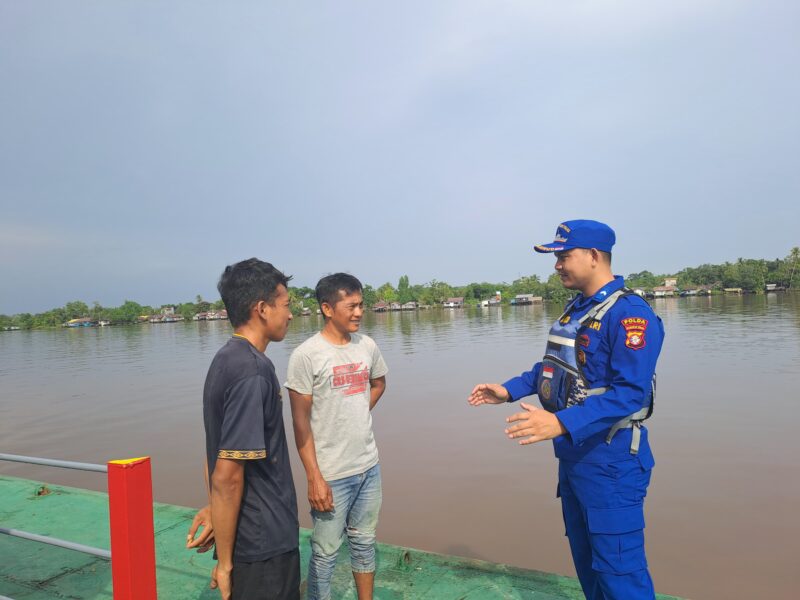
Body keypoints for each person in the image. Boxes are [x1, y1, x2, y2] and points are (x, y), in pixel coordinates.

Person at [468, 220, 664, 600]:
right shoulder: (576, 311)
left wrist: (559, 421)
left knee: (620, 571)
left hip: (612, 461)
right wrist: (508, 390)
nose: (557, 265)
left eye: (564, 256)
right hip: (575, 459)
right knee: (588, 564)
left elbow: (630, 395)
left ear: (593, 256)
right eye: (556, 257)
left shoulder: (628, 314)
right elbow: (552, 370)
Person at [186, 258, 300, 600]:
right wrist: (225, 564)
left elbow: (215, 449)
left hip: (245, 535)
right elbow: (227, 476)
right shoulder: (252, 371)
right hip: (263, 542)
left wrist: (219, 522)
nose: (291, 314)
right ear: (262, 309)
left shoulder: (225, 359)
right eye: (286, 305)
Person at [286, 273, 388, 600]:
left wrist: (355, 410)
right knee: (326, 552)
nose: (359, 312)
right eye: (351, 306)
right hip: (331, 474)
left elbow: (379, 383)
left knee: (364, 542)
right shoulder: (306, 355)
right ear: (328, 309)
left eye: (361, 305)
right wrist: (314, 477)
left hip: (368, 467)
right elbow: (300, 423)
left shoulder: (367, 345)